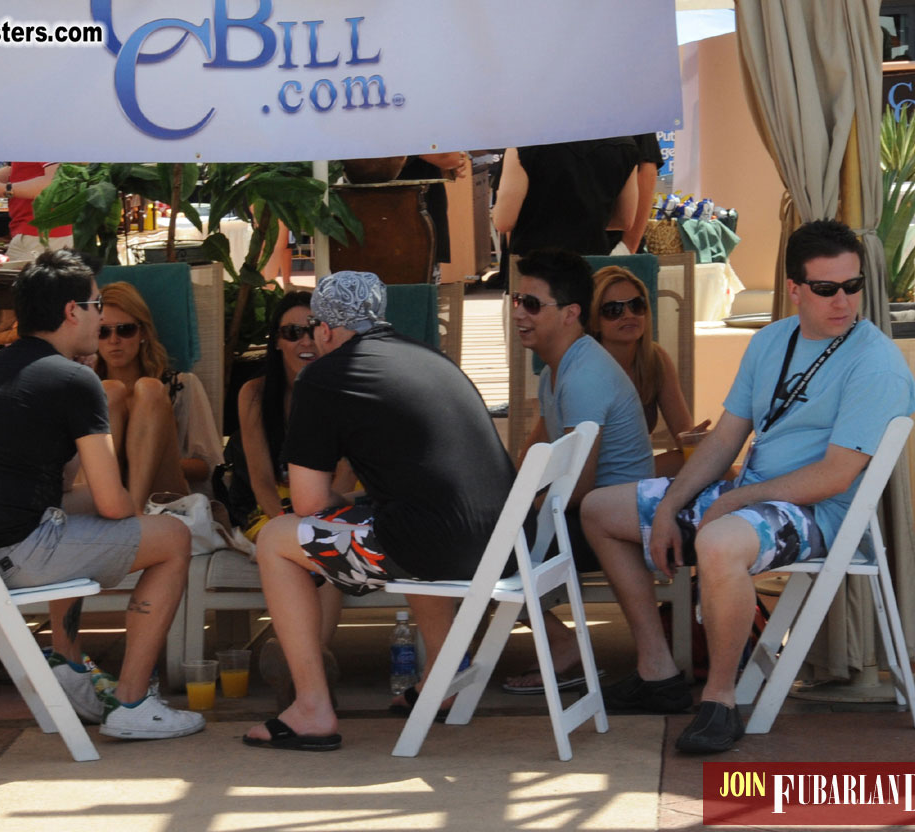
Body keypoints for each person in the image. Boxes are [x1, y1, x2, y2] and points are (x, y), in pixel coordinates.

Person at [580, 220, 915, 754]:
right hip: (755, 498)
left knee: (718, 542)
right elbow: (722, 442)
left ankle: (720, 699)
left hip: (818, 513)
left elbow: (835, 475)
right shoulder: (770, 341)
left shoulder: (875, 363)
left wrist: (735, 499)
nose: (844, 302)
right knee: (600, 509)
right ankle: (658, 670)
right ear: (795, 289)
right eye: (827, 289)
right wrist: (671, 503)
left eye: (852, 287)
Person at [0, 249, 203, 741]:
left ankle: (70, 665)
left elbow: (67, 482)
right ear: (72, 311)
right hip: (4, 555)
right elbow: (113, 504)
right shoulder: (74, 380)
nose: (101, 318)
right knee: (174, 538)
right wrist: (139, 521)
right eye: (96, 307)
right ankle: (134, 701)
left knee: (75, 515)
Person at [241, 270, 515, 751]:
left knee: (276, 541)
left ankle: (311, 707)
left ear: (324, 329)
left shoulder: (324, 378)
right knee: (398, 517)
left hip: (440, 548)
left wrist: (339, 506)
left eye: (311, 330)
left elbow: (306, 503)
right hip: (507, 543)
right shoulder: (429, 357)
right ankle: (445, 670)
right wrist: (352, 504)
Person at [498, 250, 655, 695]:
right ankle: (553, 641)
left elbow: (576, 487)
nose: (519, 314)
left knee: (481, 542)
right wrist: (506, 498)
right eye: (516, 301)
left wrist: (515, 509)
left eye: (532, 304)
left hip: (615, 524)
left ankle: (561, 643)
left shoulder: (583, 375)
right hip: (588, 515)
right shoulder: (559, 368)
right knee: (485, 528)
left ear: (570, 314)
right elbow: (536, 453)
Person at [232, 291, 354, 707]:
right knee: (309, 545)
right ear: (276, 341)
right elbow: (260, 478)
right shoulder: (253, 393)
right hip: (271, 506)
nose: (304, 341)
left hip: (333, 499)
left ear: (326, 334)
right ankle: (313, 672)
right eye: (291, 332)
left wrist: (317, 516)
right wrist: (289, 518)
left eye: (312, 330)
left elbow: (346, 471)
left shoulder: (347, 389)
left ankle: (303, 672)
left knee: (327, 549)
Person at [94, 281, 223, 510]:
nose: (114, 340)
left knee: (150, 390)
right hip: (107, 494)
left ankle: (133, 516)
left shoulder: (181, 386)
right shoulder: (87, 388)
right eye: (103, 332)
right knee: (109, 392)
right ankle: (122, 513)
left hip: (163, 494)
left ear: (142, 332)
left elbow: (208, 466)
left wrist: (146, 457)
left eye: (125, 330)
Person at [589, 265, 710, 477]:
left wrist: (700, 438)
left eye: (637, 306)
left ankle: (747, 506)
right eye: (613, 310)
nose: (628, 315)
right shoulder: (586, 368)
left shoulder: (654, 360)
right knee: (704, 465)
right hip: (592, 479)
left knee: (708, 462)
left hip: (637, 472)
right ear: (594, 321)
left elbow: (683, 436)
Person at [493, 139, 639, 258]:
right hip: (592, 261)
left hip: (534, 267)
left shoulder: (524, 145)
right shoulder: (625, 146)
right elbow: (624, 220)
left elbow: (504, 222)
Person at [0, 162, 74, 261]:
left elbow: (54, 182)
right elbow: (15, 171)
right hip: (36, 233)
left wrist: (3, 189)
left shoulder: (43, 137)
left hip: (40, 234)